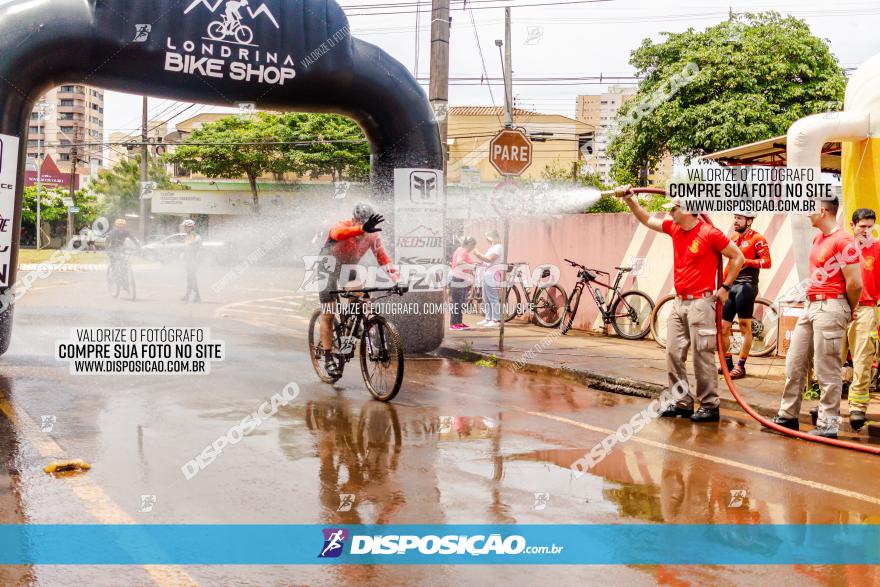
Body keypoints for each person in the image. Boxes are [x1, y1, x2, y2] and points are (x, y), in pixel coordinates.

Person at [614, 185, 745, 423]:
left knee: (702, 355)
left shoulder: (709, 233)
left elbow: (738, 256)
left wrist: (725, 287)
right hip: (679, 302)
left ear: (687, 209)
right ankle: (682, 402)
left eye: (673, 208)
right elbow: (646, 220)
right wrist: (631, 201)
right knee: (673, 353)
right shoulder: (675, 229)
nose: (670, 213)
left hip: (702, 303)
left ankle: (709, 405)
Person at [768, 198, 862, 438]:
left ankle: (828, 424)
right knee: (795, 362)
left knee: (826, 369)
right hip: (810, 305)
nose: (806, 214)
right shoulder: (818, 239)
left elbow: (855, 282)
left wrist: (848, 309)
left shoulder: (843, 241)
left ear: (823, 211)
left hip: (831, 306)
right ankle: (788, 417)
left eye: (810, 209)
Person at [317, 203, 396, 374]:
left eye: (367, 225)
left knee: (361, 298)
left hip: (348, 268)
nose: (364, 233)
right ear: (354, 220)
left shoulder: (372, 235)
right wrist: (361, 228)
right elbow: (337, 233)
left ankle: (350, 323)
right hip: (327, 266)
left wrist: (397, 280)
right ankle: (328, 356)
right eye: (360, 223)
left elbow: (383, 258)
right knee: (328, 312)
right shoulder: (342, 226)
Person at [720, 212, 772, 379]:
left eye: (739, 218)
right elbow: (729, 262)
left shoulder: (758, 239)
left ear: (749, 221)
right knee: (723, 328)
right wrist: (723, 284)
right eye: (735, 217)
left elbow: (767, 262)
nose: (735, 220)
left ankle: (741, 366)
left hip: (747, 285)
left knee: (744, 326)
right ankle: (727, 364)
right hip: (731, 285)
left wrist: (746, 261)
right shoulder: (733, 237)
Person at [841, 208, 880, 431]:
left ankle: (857, 408)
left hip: (866, 309)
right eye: (862, 226)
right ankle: (827, 404)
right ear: (853, 226)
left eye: (870, 226)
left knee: (863, 360)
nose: (866, 230)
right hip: (839, 308)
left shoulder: (878, 248)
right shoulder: (843, 248)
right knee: (830, 359)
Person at [472, 229, 504, 328]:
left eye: (488, 237)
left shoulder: (498, 247)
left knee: (493, 298)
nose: (488, 239)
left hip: (493, 274)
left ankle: (496, 320)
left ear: (494, 237)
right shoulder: (492, 247)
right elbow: (486, 260)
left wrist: (477, 254)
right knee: (486, 298)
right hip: (487, 273)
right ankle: (488, 318)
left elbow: (490, 259)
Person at [449, 237, 477, 331]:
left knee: (459, 302)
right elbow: (459, 262)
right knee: (458, 302)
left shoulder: (459, 250)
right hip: (459, 280)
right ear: (470, 244)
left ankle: (458, 323)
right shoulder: (463, 251)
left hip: (458, 279)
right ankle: (454, 324)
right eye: (473, 246)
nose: (472, 249)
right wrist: (472, 266)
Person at [181, 219, 202, 303]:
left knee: (191, 279)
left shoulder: (196, 236)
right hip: (189, 260)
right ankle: (189, 295)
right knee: (190, 279)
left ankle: (196, 296)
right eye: (184, 227)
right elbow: (186, 247)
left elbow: (197, 246)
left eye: (186, 227)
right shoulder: (188, 236)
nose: (185, 228)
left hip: (194, 261)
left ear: (191, 227)